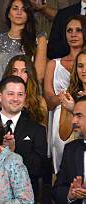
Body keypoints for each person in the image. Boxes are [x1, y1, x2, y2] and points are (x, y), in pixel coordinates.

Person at [0, 76, 47, 204]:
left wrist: (14, 153)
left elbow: (39, 168)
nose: (15, 99)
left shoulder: (37, 129)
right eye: (10, 94)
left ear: (25, 97)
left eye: (20, 94)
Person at [43, 15, 85, 173]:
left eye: (78, 30)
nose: (73, 34)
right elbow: (48, 100)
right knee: (62, 168)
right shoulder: (54, 63)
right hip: (60, 116)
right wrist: (61, 97)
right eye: (69, 31)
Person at [0, 0, 47, 94]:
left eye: (24, 9)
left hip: (30, 96)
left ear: (28, 14)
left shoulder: (39, 39)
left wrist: (21, 96)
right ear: (8, 14)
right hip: (1, 95)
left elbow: (38, 76)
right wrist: (3, 95)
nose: (19, 12)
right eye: (15, 8)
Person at [0, 54, 47, 127]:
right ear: (9, 73)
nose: (18, 75)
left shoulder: (40, 102)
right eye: (15, 70)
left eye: (24, 71)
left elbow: (43, 134)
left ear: (30, 74)